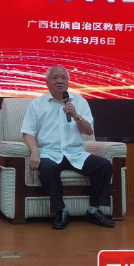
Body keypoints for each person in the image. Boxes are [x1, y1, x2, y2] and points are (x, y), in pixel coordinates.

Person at [21, 65, 115, 229]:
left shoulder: (79, 101)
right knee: (48, 169)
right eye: (55, 77)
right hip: (49, 153)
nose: (60, 81)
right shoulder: (37, 104)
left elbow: (89, 131)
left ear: (68, 81)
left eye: (63, 77)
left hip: (75, 153)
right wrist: (35, 151)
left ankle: (93, 210)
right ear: (47, 82)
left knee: (104, 165)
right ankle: (61, 211)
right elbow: (27, 133)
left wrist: (76, 115)